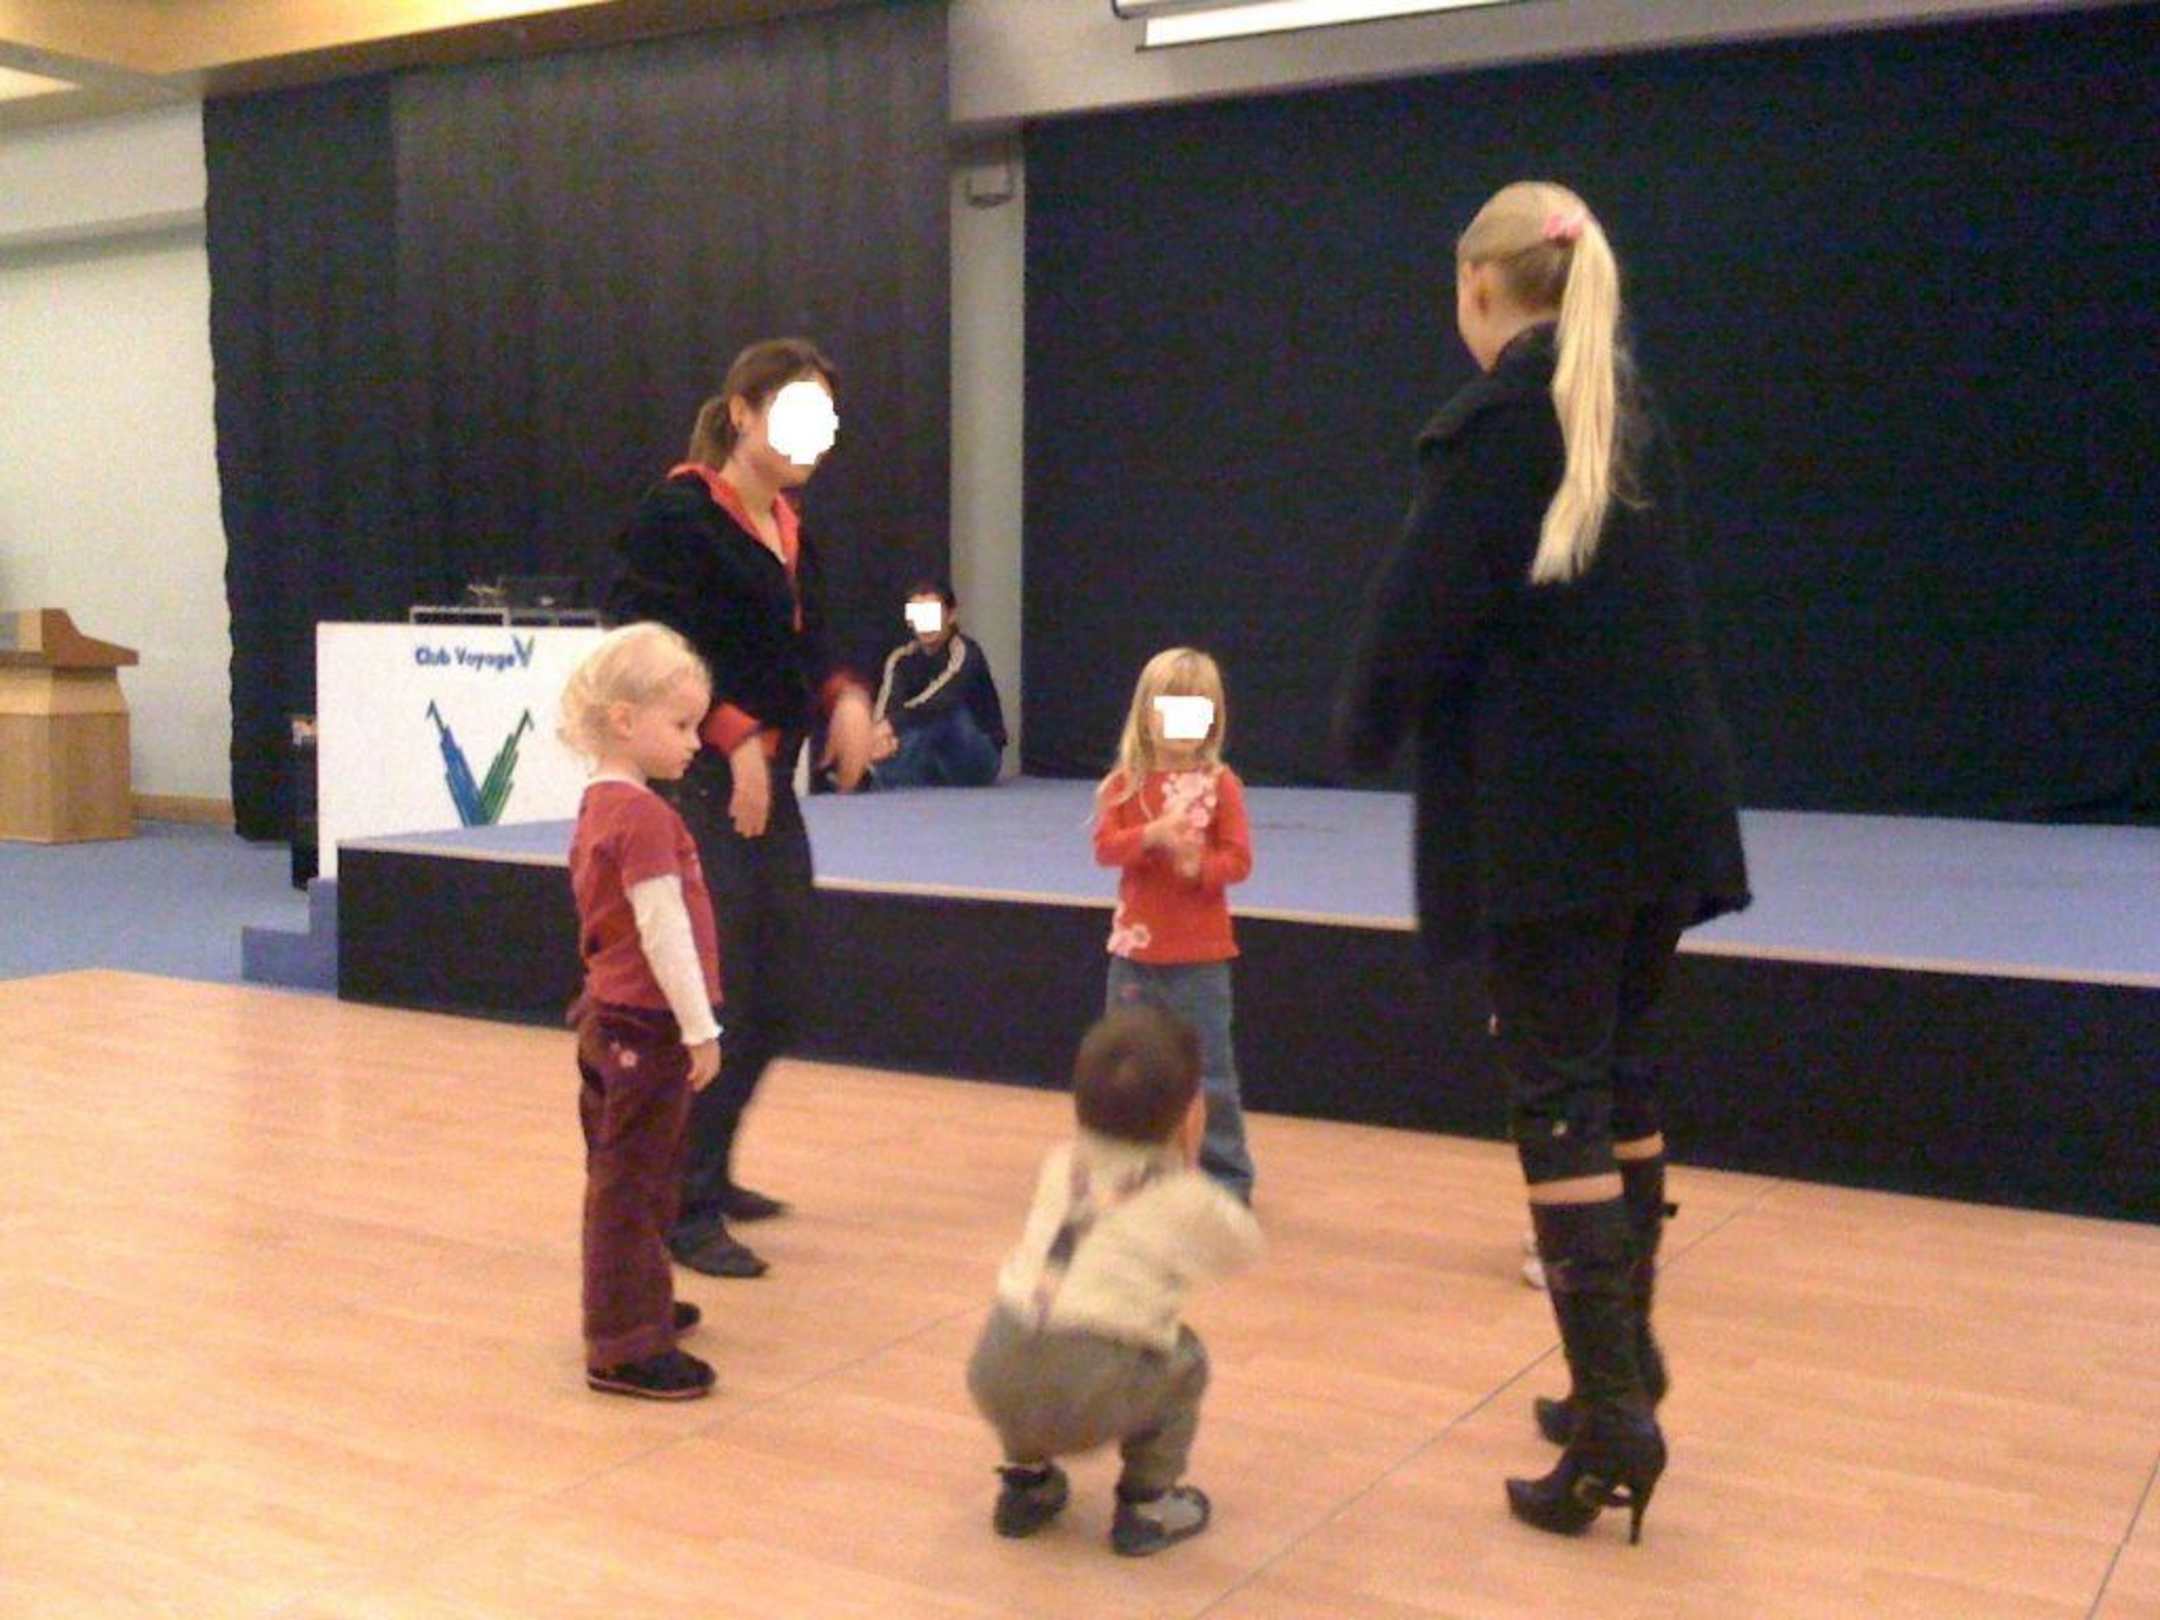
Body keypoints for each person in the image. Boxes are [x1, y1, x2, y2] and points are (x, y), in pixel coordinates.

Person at [1335, 181, 1749, 1542]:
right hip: (1662, 810)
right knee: (1623, 1075)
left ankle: (1616, 1420)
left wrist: (1362, 726)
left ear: (1479, 288)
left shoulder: (1502, 422)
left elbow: (1419, 612)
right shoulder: (1624, 410)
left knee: (1555, 1093)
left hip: (1558, 824)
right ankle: (1623, 1369)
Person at [605, 338, 875, 1280]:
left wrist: (844, 697)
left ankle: (707, 1167)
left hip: (764, 783)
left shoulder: (796, 533)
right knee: (712, 996)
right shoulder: (677, 516)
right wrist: (727, 733)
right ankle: (679, 1200)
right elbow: (640, 642)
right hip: (694, 787)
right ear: (743, 415)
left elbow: (814, 647)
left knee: (783, 987)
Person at [965, 1005, 1262, 1556]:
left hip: (995, 1367)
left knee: (1034, 1355)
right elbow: (1242, 1247)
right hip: (1087, 1386)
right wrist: (1189, 1164)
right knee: (1185, 1359)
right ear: (1188, 1114)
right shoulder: (1183, 1195)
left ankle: (1026, 1486)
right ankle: (1147, 1506)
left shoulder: (1061, 1163)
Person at [557, 623, 724, 1400]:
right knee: (632, 1182)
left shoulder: (600, 804)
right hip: (646, 1027)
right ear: (624, 720)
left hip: (608, 1017)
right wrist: (700, 1028)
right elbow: (665, 932)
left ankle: (638, 1300)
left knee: (636, 1172)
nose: (695, 743)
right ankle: (624, 1343)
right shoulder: (647, 819)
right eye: (682, 725)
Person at [1092, 648, 1257, 1203]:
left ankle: (1224, 1177)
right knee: (1128, 1069)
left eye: (1197, 709)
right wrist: (1150, 836)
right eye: (1172, 708)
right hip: (1134, 956)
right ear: (1147, 714)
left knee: (1209, 1074)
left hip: (1200, 959)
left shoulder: (1222, 785)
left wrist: (1199, 868)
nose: (1184, 723)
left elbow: (1239, 860)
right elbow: (1105, 849)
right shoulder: (1124, 785)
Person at [864, 579, 1008, 789]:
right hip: (929, 756)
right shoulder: (901, 658)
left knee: (944, 714)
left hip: (975, 754)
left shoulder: (965, 651)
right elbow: (888, 706)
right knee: (892, 730)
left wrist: (891, 726)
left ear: (951, 615)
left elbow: (943, 699)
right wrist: (881, 736)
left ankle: (885, 778)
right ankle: (884, 776)